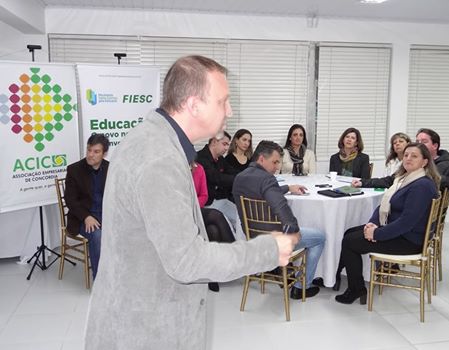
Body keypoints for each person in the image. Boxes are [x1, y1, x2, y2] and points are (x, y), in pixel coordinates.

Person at [84, 55, 298, 350]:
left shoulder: (154, 139)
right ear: (194, 105)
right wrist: (268, 250)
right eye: (223, 102)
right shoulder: (158, 158)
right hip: (145, 331)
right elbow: (187, 261)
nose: (230, 110)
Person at [335, 143, 440, 304]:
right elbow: (384, 205)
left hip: (409, 241)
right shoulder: (405, 179)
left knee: (350, 242)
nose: (408, 158)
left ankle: (356, 288)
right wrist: (372, 223)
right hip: (399, 231)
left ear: (425, 162)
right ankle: (342, 277)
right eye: (406, 155)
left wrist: (377, 234)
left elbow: (407, 223)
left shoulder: (422, 186)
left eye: (414, 156)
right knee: (349, 233)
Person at [233, 140, 326, 299]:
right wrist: (294, 232)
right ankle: (301, 286)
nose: (277, 167)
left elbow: (262, 193)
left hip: (253, 237)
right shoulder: (267, 179)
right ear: (261, 159)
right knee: (320, 237)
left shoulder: (240, 177)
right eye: (275, 162)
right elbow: (283, 211)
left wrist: (287, 188)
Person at [352, 128, 449, 203]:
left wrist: (436, 177)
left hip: (420, 218)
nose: (419, 145)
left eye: (424, 141)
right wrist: (363, 182)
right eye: (417, 141)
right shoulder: (413, 163)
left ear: (435, 145)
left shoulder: (448, 166)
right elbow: (390, 180)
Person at [64, 134, 109, 280]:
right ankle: (100, 280)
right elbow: (70, 200)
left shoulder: (111, 168)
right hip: (83, 217)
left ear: (104, 153)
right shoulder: (74, 170)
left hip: (106, 215)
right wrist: (86, 217)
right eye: (89, 150)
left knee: (130, 230)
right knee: (97, 235)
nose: (91, 155)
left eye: (96, 152)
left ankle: (119, 276)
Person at [191, 161, 235, 292]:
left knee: (212, 230)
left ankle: (213, 275)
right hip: (183, 212)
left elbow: (204, 195)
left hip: (197, 210)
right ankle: (234, 252)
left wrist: (195, 207)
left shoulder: (199, 168)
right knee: (216, 215)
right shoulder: (177, 168)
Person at [197, 131, 239, 229]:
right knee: (231, 225)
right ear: (214, 142)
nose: (226, 148)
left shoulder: (220, 159)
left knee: (239, 219)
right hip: (207, 204)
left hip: (220, 200)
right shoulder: (200, 158)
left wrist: (245, 176)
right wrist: (239, 179)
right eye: (224, 144)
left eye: (228, 145)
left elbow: (231, 171)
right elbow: (216, 178)